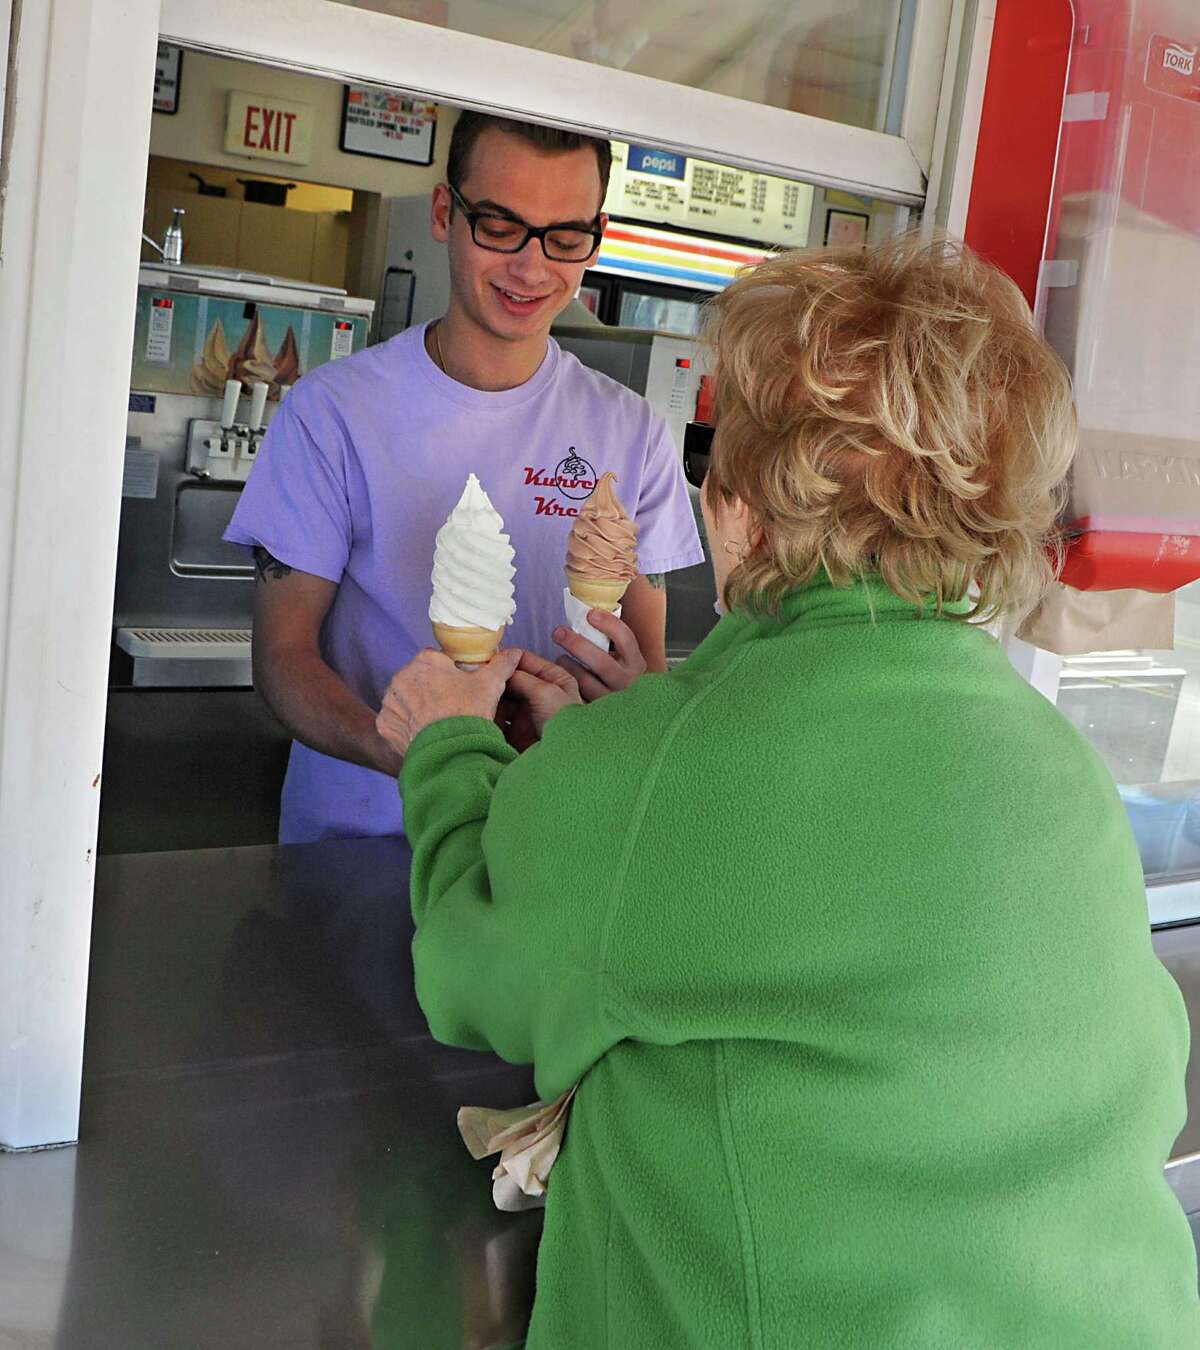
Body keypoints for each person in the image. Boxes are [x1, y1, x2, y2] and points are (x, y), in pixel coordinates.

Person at [376, 234, 1200, 1346]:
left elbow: (471, 976)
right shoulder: (1056, 763)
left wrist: (447, 750)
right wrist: (610, 758)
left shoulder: (656, 768)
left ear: (743, 508)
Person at [225, 112, 703, 843]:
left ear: (594, 236)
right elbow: (283, 658)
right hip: (366, 837)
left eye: (565, 236)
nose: (532, 267)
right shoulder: (334, 412)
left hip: (548, 844)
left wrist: (633, 701)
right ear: (447, 213)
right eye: (501, 226)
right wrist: (413, 752)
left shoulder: (631, 434)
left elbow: (643, 655)